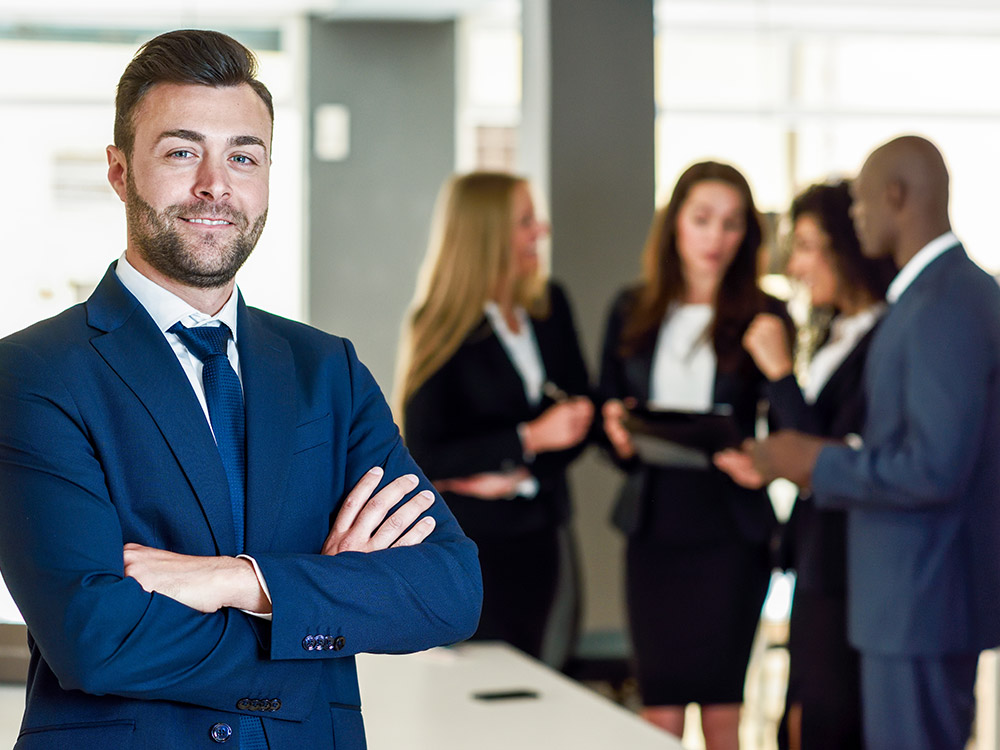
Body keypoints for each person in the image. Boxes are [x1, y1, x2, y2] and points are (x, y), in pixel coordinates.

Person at [0, 30, 482, 749]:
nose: (215, 186)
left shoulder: (329, 371)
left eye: (243, 156)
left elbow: (449, 590)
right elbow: (94, 637)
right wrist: (320, 604)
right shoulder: (34, 372)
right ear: (119, 170)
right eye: (181, 151)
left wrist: (240, 581)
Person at [737, 135, 1000, 750]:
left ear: (896, 197)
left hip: (922, 599)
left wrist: (811, 460)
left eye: (858, 205)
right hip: (907, 599)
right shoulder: (934, 295)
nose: (856, 220)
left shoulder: (944, 302)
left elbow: (934, 469)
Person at [598, 160, 790, 749]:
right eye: (702, 219)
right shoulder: (632, 310)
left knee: (724, 712)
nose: (715, 238)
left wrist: (761, 460)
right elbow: (606, 411)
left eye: (732, 224)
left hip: (730, 532)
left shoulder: (765, 315)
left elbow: (790, 430)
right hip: (655, 528)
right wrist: (616, 433)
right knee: (659, 707)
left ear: (748, 235)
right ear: (675, 224)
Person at [718, 180, 895, 749]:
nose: (793, 265)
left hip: (853, 561)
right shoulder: (833, 330)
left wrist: (778, 374)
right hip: (816, 554)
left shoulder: (887, 338)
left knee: (824, 720)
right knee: (798, 719)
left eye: (807, 247)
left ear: (848, 246)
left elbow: (828, 453)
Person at [397, 172, 593, 667]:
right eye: (526, 221)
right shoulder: (439, 325)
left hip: (544, 530)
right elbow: (422, 453)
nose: (540, 232)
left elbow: (577, 414)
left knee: (545, 677)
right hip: (471, 544)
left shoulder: (550, 308)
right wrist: (527, 438)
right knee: (480, 687)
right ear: (488, 234)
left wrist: (527, 458)